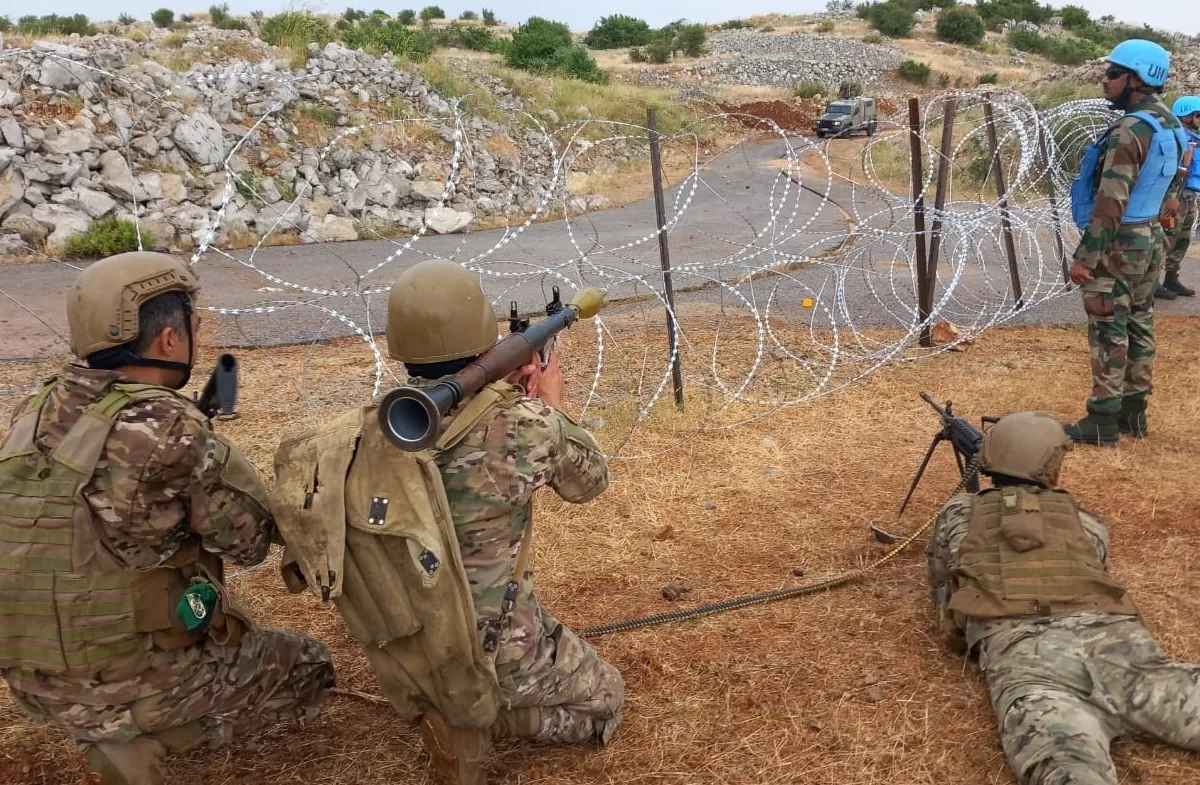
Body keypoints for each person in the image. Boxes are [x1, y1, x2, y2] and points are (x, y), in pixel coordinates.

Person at [270, 260, 623, 785]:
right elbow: (590, 483)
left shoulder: (363, 434)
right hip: (497, 653)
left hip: (412, 648)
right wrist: (551, 406)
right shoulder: (527, 428)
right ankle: (490, 723)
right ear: (485, 337)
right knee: (606, 697)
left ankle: (453, 711)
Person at [0, 252, 334, 785]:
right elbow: (249, 541)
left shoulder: (35, 407)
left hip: (32, 678)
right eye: (194, 324)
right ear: (169, 340)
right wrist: (212, 450)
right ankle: (143, 738)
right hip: (129, 683)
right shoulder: (171, 426)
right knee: (309, 664)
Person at [925, 411, 1200, 785]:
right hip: (1123, 653)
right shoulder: (1086, 520)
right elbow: (1094, 563)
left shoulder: (958, 512)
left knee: (1067, 771)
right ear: (1053, 469)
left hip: (1032, 667)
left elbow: (942, 581)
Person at [1066, 39, 1188, 446]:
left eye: (1114, 74)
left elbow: (1112, 198)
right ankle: (1134, 413)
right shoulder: (1170, 124)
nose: (1105, 80)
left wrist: (1087, 256)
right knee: (1139, 322)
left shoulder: (1132, 129)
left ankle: (1102, 419)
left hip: (1120, 241)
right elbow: (1174, 184)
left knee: (1107, 328)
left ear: (1138, 80)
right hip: (1151, 236)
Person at [1157, 95, 1200, 300]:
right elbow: (1172, 170)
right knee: (1166, 236)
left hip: (1190, 195)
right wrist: (1173, 197)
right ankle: (1151, 282)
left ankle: (1171, 277)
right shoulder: (1175, 137)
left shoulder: (1193, 138)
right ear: (1186, 114)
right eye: (1198, 115)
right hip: (1175, 195)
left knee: (1182, 239)